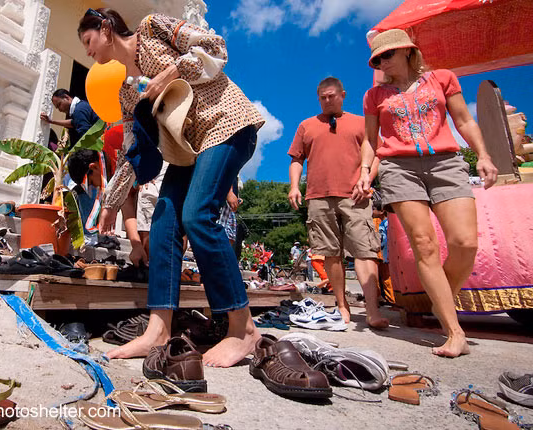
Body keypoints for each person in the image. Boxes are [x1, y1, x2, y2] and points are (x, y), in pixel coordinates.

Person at [78, 8, 264, 367]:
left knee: (196, 215)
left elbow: (215, 45)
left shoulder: (151, 28)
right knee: (163, 223)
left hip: (227, 124)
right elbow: (133, 151)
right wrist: (111, 202)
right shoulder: (126, 92)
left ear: (105, 28)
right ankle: (158, 330)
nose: (88, 51)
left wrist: (170, 72)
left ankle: (244, 330)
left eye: (88, 40)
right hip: (189, 151)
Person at [353, 29, 498, 357]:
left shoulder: (443, 79)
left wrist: (483, 155)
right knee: (424, 245)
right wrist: (364, 173)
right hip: (398, 168)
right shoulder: (374, 96)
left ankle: (439, 296)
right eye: (377, 59)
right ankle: (454, 331)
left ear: (407, 51)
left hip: (446, 162)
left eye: (387, 55)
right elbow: (371, 141)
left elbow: (464, 121)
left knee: (465, 242)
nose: (382, 63)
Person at [287, 76, 389, 329]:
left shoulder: (361, 122)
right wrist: (294, 187)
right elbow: (297, 159)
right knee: (330, 253)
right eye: (322, 97)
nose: (327, 101)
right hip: (318, 197)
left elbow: (378, 153)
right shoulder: (306, 126)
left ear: (342, 95)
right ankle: (342, 306)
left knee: (365, 251)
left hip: (356, 195)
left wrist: (367, 179)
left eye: (331, 96)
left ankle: (372, 310)